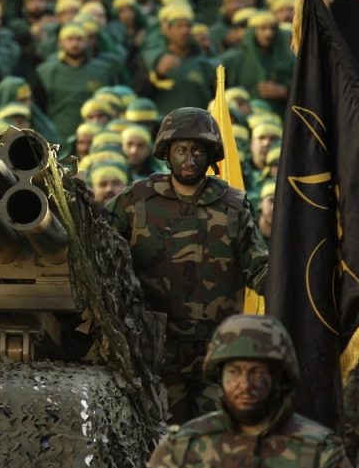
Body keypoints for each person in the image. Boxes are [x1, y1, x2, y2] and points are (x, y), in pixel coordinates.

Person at [112, 314, 359, 468]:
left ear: (278, 378)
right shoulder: (186, 445)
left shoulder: (317, 448)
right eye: (234, 372)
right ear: (220, 377)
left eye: (256, 372)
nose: (244, 384)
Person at [105, 107, 268, 423]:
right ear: (167, 153)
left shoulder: (233, 206)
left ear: (211, 156)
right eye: (181, 150)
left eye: (198, 151)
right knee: (160, 437)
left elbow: (258, 267)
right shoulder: (136, 200)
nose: (190, 159)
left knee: (217, 434)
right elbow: (98, 247)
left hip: (217, 347)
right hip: (156, 347)